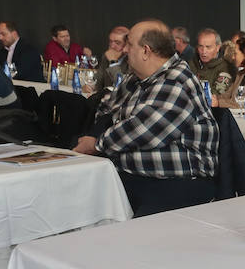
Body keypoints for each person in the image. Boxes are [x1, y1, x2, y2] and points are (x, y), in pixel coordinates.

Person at [73, 20, 218, 216]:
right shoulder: (135, 78)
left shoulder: (176, 81)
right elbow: (106, 109)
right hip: (136, 177)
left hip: (177, 184)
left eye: (129, 44)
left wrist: (96, 144)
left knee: (99, 219)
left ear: (145, 51)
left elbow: (141, 130)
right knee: (77, 205)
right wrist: (97, 136)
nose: (124, 50)